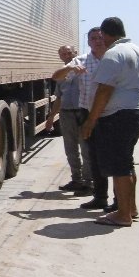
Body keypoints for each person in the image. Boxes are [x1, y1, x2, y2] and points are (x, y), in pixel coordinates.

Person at [81, 17, 139, 226]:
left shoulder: (114, 54)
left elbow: (104, 90)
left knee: (119, 166)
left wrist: (91, 121)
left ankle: (123, 215)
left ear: (104, 34)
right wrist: (134, 104)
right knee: (126, 162)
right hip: (136, 111)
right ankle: (131, 208)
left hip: (118, 115)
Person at [53, 27, 108, 209]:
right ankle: (82, 183)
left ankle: (92, 185)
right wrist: (51, 117)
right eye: (93, 38)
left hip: (105, 113)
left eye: (100, 37)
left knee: (95, 153)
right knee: (73, 149)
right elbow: (57, 82)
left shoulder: (113, 59)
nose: (97, 41)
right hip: (74, 113)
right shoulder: (77, 64)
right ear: (89, 41)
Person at [46, 44, 91, 194]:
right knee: (70, 149)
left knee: (86, 148)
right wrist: (51, 117)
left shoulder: (85, 68)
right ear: (60, 56)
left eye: (69, 53)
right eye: (63, 54)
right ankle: (76, 180)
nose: (67, 56)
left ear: (75, 53)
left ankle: (88, 182)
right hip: (66, 114)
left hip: (83, 112)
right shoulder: (61, 74)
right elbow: (59, 97)